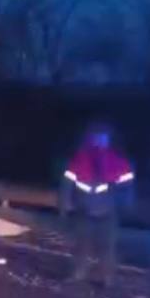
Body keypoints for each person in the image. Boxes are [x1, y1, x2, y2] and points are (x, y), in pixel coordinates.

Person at [59, 121, 135, 286]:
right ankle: (78, 274)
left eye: (103, 138)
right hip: (83, 208)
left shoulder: (118, 161)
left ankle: (106, 278)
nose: (99, 141)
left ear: (109, 140)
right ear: (90, 139)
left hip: (108, 211)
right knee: (81, 244)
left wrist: (125, 206)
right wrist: (66, 204)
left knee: (107, 247)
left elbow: (127, 187)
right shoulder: (79, 159)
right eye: (96, 137)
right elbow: (67, 184)